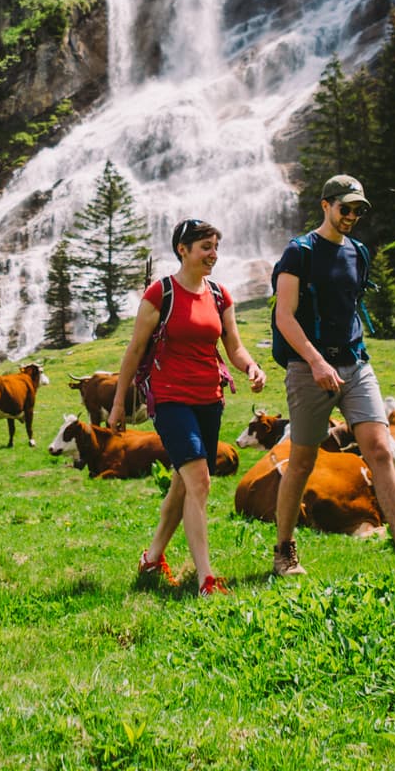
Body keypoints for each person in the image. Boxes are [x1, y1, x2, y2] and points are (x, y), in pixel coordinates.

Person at [269, 175, 395, 576]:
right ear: (326, 206)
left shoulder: (359, 253)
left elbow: (349, 308)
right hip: (308, 367)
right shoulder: (299, 253)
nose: (350, 216)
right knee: (301, 461)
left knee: (380, 449)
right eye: (344, 208)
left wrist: (350, 357)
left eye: (357, 210)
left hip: (354, 364)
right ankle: (284, 551)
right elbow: (284, 316)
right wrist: (316, 362)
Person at [109, 218, 267, 595]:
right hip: (169, 397)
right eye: (205, 247)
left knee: (182, 484)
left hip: (209, 398)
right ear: (183, 249)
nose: (213, 255)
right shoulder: (160, 294)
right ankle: (206, 579)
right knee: (199, 480)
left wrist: (251, 366)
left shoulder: (219, 295)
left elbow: (234, 346)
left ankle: (151, 559)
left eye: (216, 247)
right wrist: (118, 404)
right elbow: (134, 351)